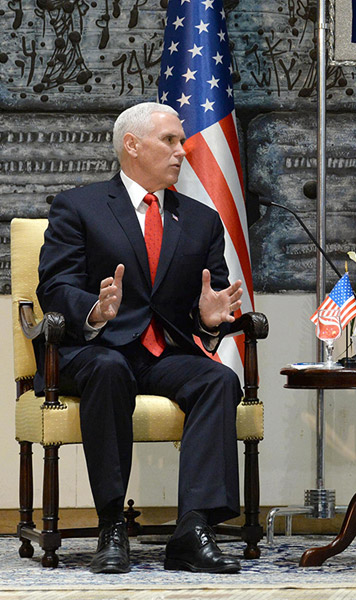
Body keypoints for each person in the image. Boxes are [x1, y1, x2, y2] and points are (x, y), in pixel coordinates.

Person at [36, 102, 245, 574]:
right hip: (93, 349)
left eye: (181, 140)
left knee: (218, 380)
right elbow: (53, 286)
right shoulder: (79, 206)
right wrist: (94, 309)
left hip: (160, 353)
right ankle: (111, 524)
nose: (182, 150)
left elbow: (204, 302)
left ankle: (193, 529)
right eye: (170, 140)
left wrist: (210, 318)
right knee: (110, 369)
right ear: (132, 145)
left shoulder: (201, 220)